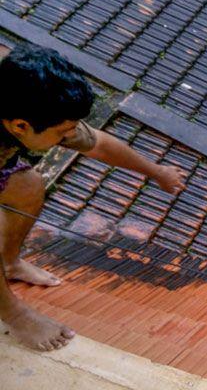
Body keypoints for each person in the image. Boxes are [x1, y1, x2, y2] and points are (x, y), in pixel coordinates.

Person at [0, 44, 186, 351]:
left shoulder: (26, 93)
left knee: (28, 186)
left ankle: (9, 263)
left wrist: (156, 171)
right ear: (20, 125)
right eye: (62, 133)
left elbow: (96, 143)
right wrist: (16, 314)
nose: (67, 137)